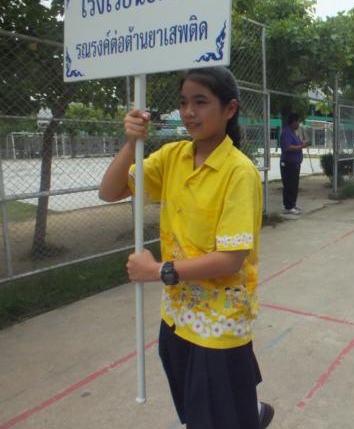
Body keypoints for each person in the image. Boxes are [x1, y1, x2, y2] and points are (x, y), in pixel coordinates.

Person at [99, 67, 274, 429]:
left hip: (220, 325)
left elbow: (231, 258)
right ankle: (249, 412)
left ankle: (247, 413)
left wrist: (158, 271)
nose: (189, 112)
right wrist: (132, 142)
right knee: (199, 414)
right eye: (183, 103)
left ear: (229, 109)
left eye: (200, 102)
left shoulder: (238, 172)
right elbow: (110, 191)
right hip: (177, 319)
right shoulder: (172, 157)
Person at [279, 113, 311, 215]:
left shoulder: (293, 133)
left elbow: (298, 144)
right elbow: (287, 147)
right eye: (298, 122)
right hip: (288, 163)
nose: (298, 124)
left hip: (295, 164)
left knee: (294, 185)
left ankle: (292, 204)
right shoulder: (286, 133)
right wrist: (301, 146)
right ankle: (288, 207)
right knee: (289, 185)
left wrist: (305, 144)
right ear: (293, 122)